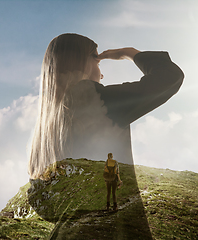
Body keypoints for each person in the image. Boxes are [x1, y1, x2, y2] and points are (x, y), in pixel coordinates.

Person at [28, 33, 184, 239]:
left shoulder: (48, 125)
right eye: (96, 58)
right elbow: (169, 77)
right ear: (77, 62)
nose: (101, 74)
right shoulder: (92, 99)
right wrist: (129, 53)